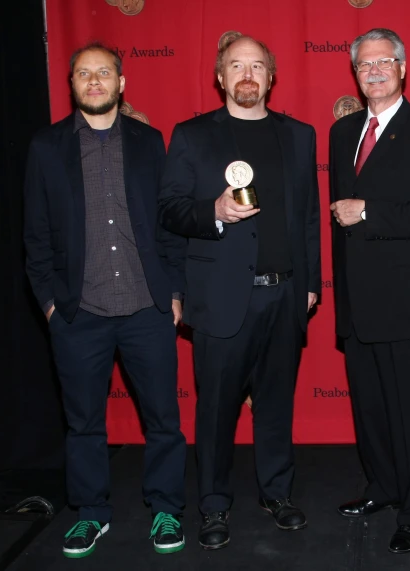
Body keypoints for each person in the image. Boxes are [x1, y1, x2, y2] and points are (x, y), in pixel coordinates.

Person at [23, 42, 187, 558]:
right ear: (71, 84)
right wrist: (52, 306)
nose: (94, 82)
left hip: (147, 309)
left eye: (104, 73)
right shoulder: (46, 148)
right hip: (79, 314)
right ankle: (91, 514)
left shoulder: (149, 142)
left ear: (121, 83)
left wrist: (174, 291)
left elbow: (168, 226)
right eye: (83, 74)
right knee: (84, 424)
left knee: (164, 419)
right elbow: (35, 237)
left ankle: (165, 508)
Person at [158, 35, 320, 550]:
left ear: (271, 78)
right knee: (216, 410)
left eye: (257, 66)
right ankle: (213, 505)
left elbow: (310, 218)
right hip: (221, 296)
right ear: (220, 77)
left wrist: (312, 282)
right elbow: (170, 210)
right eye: (236, 66)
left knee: (276, 404)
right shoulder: (191, 135)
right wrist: (214, 212)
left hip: (284, 295)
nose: (247, 75)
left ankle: (277, 494)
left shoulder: (300, 135)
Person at [329, 28, 410, 554]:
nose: (374, 70)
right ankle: (381, 487)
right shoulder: (342, 133)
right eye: (364, 65)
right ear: (355, 74)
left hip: (404, 300)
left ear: (403, 68)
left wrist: (371, 212)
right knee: (370, 409)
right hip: (356, 300)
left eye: (384, 61)